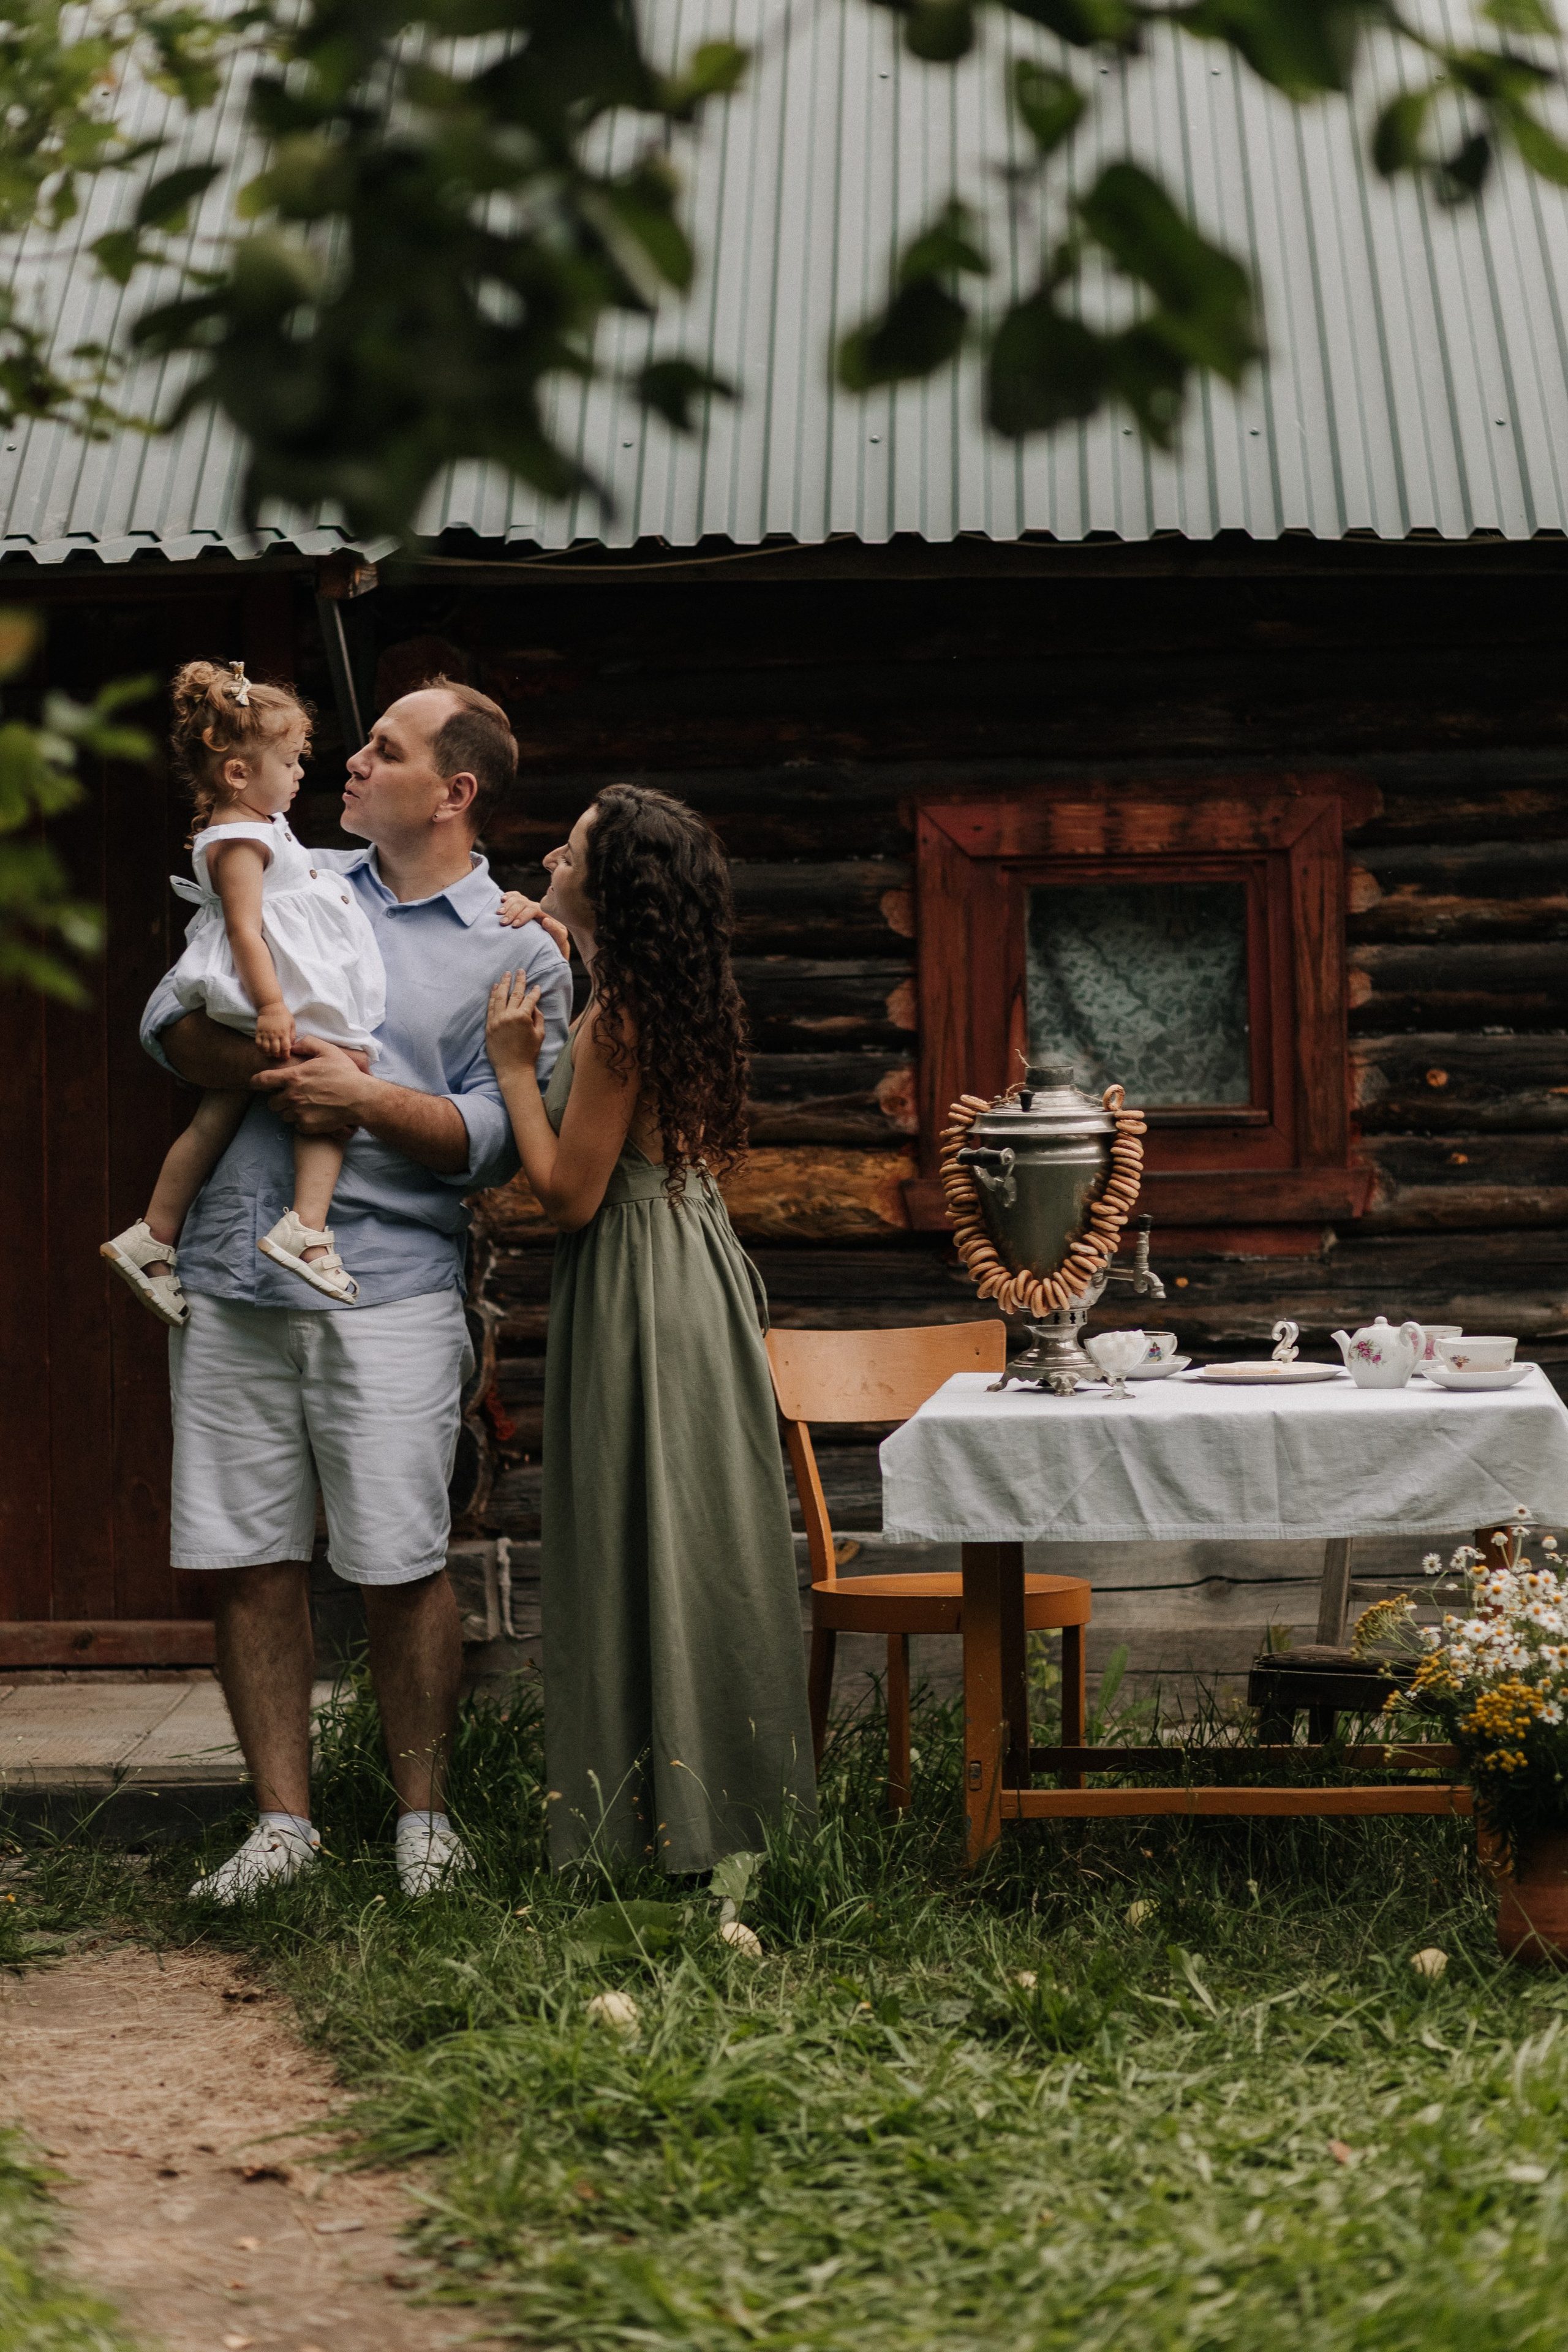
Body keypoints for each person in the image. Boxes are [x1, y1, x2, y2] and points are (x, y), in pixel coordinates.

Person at [137, 679, 572, 1902]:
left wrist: (365, 1103)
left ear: (455, 791)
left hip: (386, 1286)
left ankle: (422, 1825)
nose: (353, 764)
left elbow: (500, 1139)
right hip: (231, 1274)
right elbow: (169, 1021)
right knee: (246, 1556)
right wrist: (294, 1066)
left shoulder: (518, 944)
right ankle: (283, 1827)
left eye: (384, 751)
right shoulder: (286, 869)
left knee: (397, 1560)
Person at [485, 783, 816, 1874]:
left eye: (569, 854)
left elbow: (569, 1194)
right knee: (687, 1534)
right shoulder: (638, 993)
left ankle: (664, 1826)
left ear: (613, 889)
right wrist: (552, 927)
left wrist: (510, 1072)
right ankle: (714, 1813)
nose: (550, 854)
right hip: (683, 1261)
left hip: (638, 1278)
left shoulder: (618, 1020)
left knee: (650, 1532)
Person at [104, 661, 383, 1319]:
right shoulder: (238, 840)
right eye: (289, 762)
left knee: (217, 1113)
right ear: (238, 773)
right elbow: (246, 930)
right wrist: (273, 1007)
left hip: (267, 988)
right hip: (259, 991)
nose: (299, 774)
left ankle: (153, 1236)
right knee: (344, 1077)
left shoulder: (257, 827)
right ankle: (306, 1229)